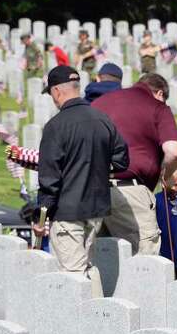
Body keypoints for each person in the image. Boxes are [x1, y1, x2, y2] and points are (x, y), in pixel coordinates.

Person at [34, 65, 129, 296]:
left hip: (68, 212)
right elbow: (122, 160)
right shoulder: (102, 119)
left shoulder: (56, 126)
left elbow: (49, 179)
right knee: (88, 268)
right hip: (96, 209)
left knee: (72, 274)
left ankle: (83, 326)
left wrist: (39, 217)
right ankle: (98, 321)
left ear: (57, 92)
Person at [92, 73, 177, 255]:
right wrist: (164, 176)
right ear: (159, 93)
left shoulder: (99, 103)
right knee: (144, 264)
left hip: (91, 191)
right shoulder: (157, 107)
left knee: (98, 264)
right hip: (131, 192)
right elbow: (174, 152)